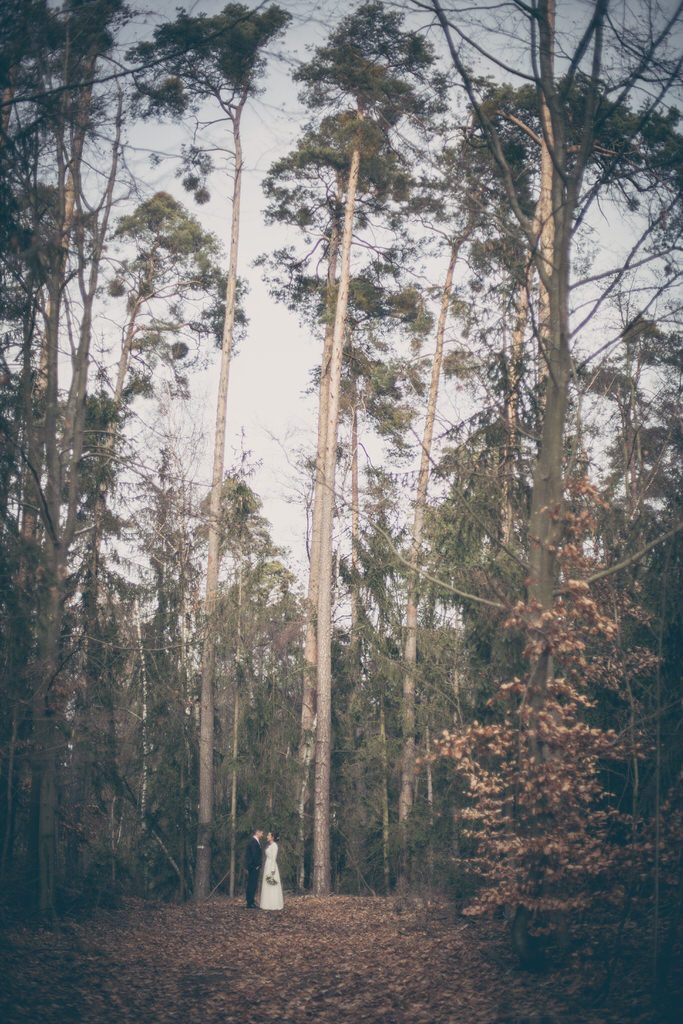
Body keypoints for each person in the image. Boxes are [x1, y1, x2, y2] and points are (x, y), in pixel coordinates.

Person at [259, 831, 284, 911]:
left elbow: (274, 858)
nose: (267, 836)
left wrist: (273, 869)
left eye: (269, 835)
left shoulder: (274, 846)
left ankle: (273, 903)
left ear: (272, 837)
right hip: (268, 865)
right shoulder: (270, 845)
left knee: (272, 883)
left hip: (271, 866)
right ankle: (267, 903)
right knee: (267, 883)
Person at [245, 828, 264, 908]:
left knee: (252, 884)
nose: (262, 834)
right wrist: (257, 865)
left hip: (253, 866)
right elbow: (254, 855)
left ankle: (251, 901)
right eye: (261, 832)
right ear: (257, 832)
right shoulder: (253, 842)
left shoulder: (255, 841)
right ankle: (250, 903)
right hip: (253, 867)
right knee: (252, 884)